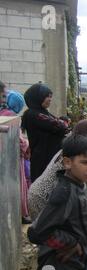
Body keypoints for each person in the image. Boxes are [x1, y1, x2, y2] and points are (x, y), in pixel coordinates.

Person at [27, 134, 87, 270]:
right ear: (67, 162)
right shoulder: (64, 193)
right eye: (85, 162)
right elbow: (37, 232)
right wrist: (70, 242)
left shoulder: (77, 185)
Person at [28, 119, 87, 221]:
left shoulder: (70, 148)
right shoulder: (76, 158)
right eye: (86, 162)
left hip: (37, 193)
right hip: (44, 198)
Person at [21, 83, 69, 182]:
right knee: (44, 187)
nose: (50, 99)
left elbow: (60, 125)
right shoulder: (34, 114)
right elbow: (60, 126)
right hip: (42, 159)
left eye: (51, 97)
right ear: (37, 97)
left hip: (48, 157)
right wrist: (63, 124)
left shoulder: (42, 113)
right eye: (47, 96)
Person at [0, 90, 32, 223]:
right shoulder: (11, 116)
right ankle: (22, 214)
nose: (3, 99)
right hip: (13, 159)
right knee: (20, 184)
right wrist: (27, 146)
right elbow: (20, 141)